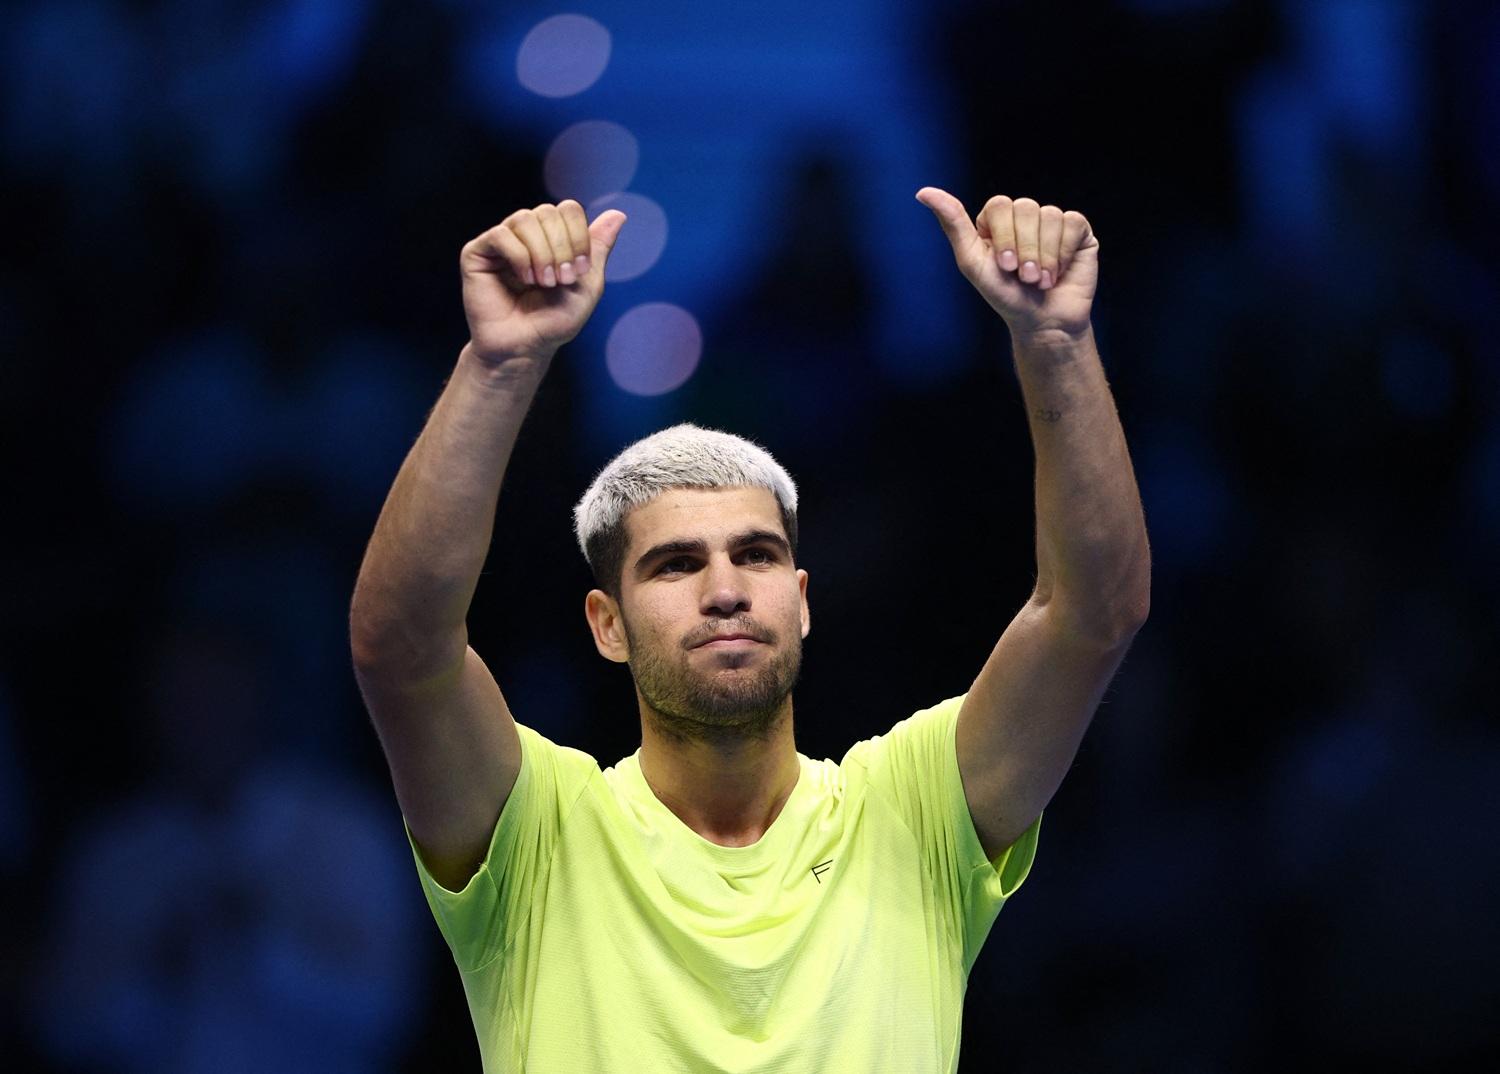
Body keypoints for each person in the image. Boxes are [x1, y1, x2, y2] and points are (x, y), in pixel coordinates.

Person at [349, 190, 1150, 1072]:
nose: (726, 590)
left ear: (801, 601)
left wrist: (1056, 341)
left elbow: (1093, 614)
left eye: (757, 555)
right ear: (606, 625)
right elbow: (403, 648)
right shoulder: (538, 831)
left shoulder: (911, 811)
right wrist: (499, 364)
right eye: (675, 565)